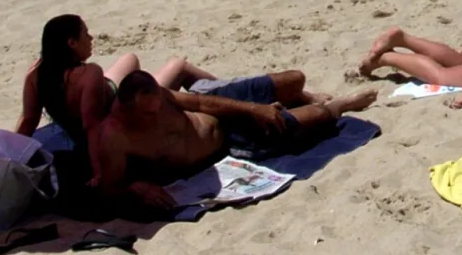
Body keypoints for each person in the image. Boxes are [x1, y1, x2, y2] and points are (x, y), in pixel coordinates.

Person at [88, 69, 375, 212]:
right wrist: (134, 186)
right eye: (146, 115)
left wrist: (252, 108)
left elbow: (199, 103)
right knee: (314, 118)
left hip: (224, 113)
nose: (154, 117)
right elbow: (108, 189)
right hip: (230, 145)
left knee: (294, 79)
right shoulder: (114, 137)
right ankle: (341, 106)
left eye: (156, 109)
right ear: (124, 107)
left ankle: (294, 98)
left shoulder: (156, 95)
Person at [15, 15, 213, 145]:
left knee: (130, 59)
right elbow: (92, 126)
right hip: (118, 107)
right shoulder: (89, 75)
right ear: (72, 43)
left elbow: (28, 120)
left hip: (106, 94)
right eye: (86, 34)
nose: (91, 39)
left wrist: (11, 153)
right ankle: (230, 90)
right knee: (178, 66)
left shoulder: (37, 75)